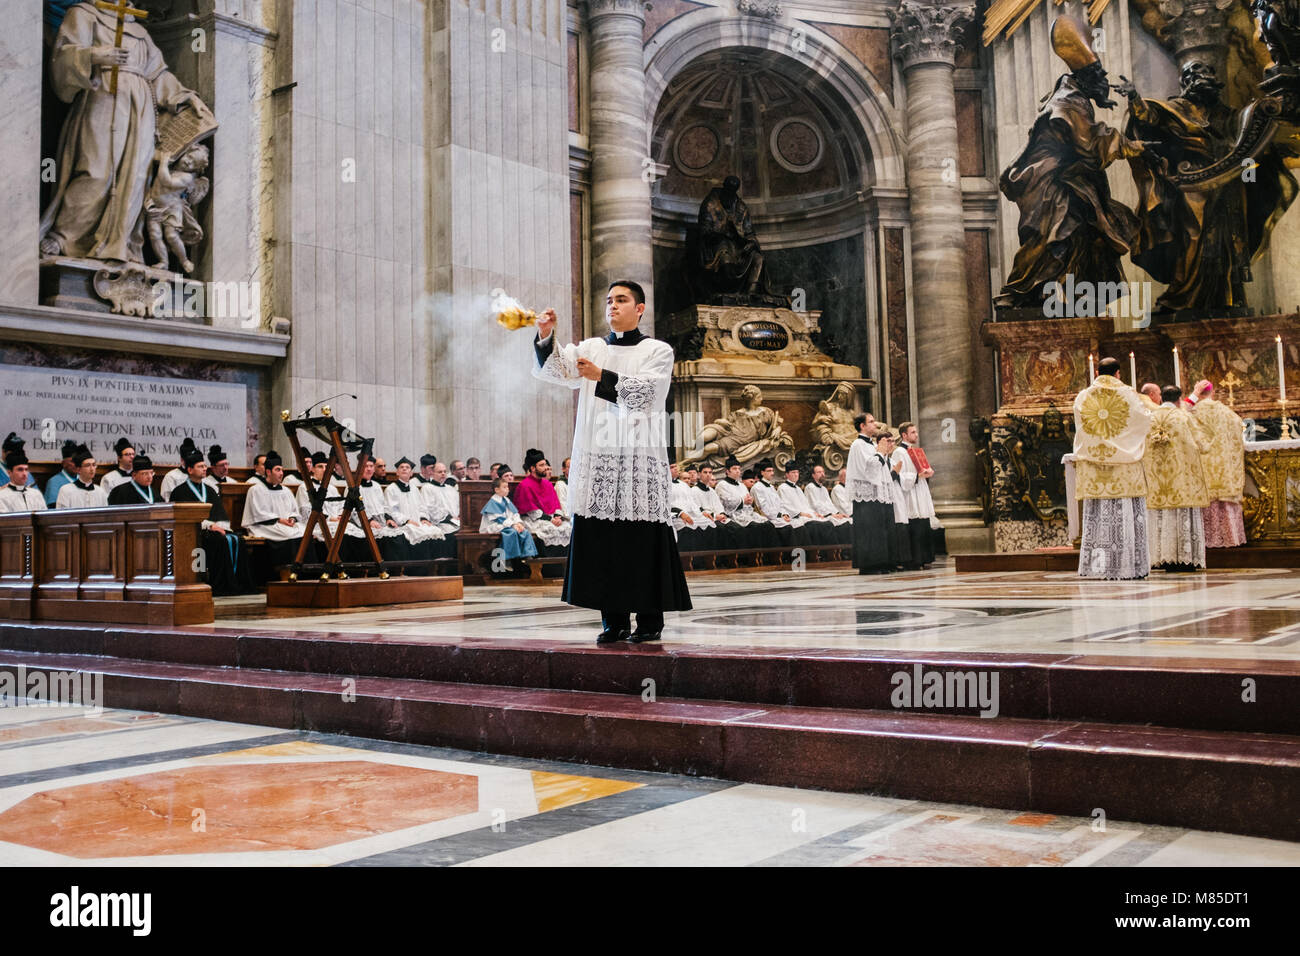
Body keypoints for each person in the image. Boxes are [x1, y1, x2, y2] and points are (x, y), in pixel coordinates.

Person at [532, 280, 691, 643]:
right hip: (599, 455)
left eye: (621, 300)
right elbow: (557, 370)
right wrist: (545, 336)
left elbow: (648, 394)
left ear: (640, 308)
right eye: (609, 300)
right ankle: (614, 620)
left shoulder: (658, 350)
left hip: (639, 456)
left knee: (641, 540)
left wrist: (601, 376)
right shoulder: (592, 347)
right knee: (605, 542)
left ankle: (650, 621)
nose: (613, 306)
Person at [1074, 357, 1153, 579]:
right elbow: (1145, 421)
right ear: (1118, 373)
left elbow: (1082, 425)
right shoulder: (1129, 394)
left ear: (1097, 372)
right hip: (1125, 465)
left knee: (1098, 516)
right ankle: (1130, 565)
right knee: (1126, 514)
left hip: (1095, 464)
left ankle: (1097, 568)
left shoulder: (1083, 396)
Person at [1143, 385, 1210, 571]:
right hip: (1180, 478)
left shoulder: (1150, 418)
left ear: (1162, 398)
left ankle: (1160, 558)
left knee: (1160, 515)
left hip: (1156, 480)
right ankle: (1183, 559)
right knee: (1180, 513)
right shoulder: (1183, 417)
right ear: (1179, 399)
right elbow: (1202, 445)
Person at [169, 446, 251, 595]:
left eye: (205, 466)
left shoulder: (210, 490)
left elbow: (220, 513)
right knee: (219, 541)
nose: (204, 469)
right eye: (200, 466)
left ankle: (237, 584)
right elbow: (185, 516)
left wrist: (220, 527)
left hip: (213, 531)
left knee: (238, 539)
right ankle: (218, 584)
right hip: (192, 533)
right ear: (190, 470)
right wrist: (210, 526)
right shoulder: (180, 491)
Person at [1189, 380, 1248, 547]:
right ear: (1212, 393)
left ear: (1198, 393)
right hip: (1224, 469)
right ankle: (1230, 538)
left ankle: (1205, 541)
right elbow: (1239, 427)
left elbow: (1180, 416)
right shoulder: (1228, 413)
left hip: (1203, 467)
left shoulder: (1192, 412)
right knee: (1224, 500)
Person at [241, 450, 305, 575]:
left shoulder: (286, 491)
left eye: (281, 470)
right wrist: (279, 520)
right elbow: (258, 513)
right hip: (263, 525)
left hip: (285, 524)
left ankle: (305, 574)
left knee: (304, 532)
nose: (281, 473)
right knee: (288, 535)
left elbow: (294, 511)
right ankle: (285, 573)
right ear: (268, 472)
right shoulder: (256, 490)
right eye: (277, 470)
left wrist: (292, 518)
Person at [847, 413, 893, 573]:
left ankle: (880, 562)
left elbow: (880, 468)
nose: (875, 424)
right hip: (865, 495)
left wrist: (884, 454)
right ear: (862, 426)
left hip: (877, 493)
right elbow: (868, 469)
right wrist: (880, 454)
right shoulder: (858, 445)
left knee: (878, 530)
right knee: (868, 531)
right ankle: (868, 564)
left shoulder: (871, 444)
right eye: (871, 422)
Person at [385, 456, 445, 563]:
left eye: (407, 467)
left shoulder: (414, 489)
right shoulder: (391, 489)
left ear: (411, 473)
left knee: (435, 531)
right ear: (397, 472)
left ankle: (432, 566)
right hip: (403, 524)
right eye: (401, 467)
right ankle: (416, 569)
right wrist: (406, 520)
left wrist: (423, 518)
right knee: (413, 533)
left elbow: (422, 506)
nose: (404, 469)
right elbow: (392, 510)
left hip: (417, 521)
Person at [512, 449, 572, 555]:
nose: (545, 468)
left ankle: (562, 566)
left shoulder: (548, 484)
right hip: (534, 519)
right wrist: (551, 520)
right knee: (548, 529)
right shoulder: (524, 485)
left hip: (551, 518)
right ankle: (546, 568)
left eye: (545, 464)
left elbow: (556, 504)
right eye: (542, 465)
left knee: (567, 528)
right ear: (533, 468)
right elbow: (531, 511)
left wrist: (558, 517)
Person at [714, 456, 780, 547]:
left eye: (739, 468)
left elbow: (748, 501)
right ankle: (754, 555)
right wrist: (743, 501)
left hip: (747, 512)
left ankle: (768, 555)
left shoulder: (742, 485)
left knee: (768, 524)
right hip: (734, 515)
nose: (737, 471)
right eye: (734, 469)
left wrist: (750, 501)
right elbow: (726, 503)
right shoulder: (722, 485)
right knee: (755, 527)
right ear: (727, 471)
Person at [897, 422, 937, 568]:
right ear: (904, 435)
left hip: (920, 489)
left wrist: (928, 472)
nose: (916, 434)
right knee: (914, 523)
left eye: (916, 432)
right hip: (910, 492)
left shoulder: (916, 450)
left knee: (923, 522)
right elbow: (898, 474)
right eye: (913, 432)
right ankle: (914, 560)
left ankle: (925, 558)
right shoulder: (899, 452)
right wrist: (917, 476)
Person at [480, 476, 538, 568]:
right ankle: (507, 558)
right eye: (504, 487)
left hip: (508, 524)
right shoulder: (493, 502)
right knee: (511, 533)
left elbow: (514, 514)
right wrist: (513, 525)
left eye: (507, 487)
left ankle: (528, 554)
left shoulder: (507, 501)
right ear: (497, 490)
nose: (507, 489)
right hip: (495, 525)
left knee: (525, 531)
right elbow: (498, 519)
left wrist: (518, 523)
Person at [802, 464, 852, 545]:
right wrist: (830, 514)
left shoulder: (824, 489)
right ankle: (837, 550)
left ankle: (846, 550)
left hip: (828, 514)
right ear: (813, 475)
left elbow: (830, 504)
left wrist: (838, 513)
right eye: (819, 472)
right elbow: (815, 505)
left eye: (823, 472)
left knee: (846, 522)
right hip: (819, 515)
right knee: (842, 525)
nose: (822, 474)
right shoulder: (810, 487)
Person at [670, 461, 712, 551]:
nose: (676, 469)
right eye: (672, 467)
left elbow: (692, 501)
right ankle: (688, 560)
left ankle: (705, 559)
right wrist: (680, 513)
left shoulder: (683, 485)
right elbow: (666, 504)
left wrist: (702, 512)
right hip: (675, 516)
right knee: (687, 528)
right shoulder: (663, 484)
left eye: (676, 466)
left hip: (690, 514)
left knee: (708, 524)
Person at [44, 440, 81, 508]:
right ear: (64, 464)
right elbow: (52, 509)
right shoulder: (54, 482)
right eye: (72, 461)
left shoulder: (82, 479)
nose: (76, 464)